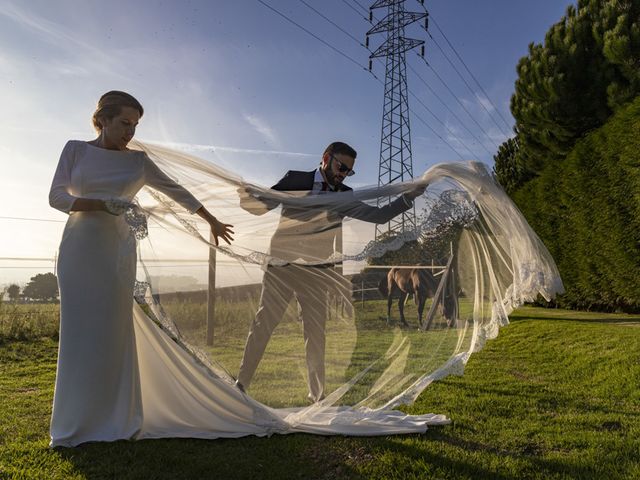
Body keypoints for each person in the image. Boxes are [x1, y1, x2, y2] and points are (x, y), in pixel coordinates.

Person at [48, 91, 234, 447]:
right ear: (102, 120)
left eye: (135, 125)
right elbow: (57, 197)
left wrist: (210, 219)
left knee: (112, 331)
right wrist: (103, 203)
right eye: (124, 123)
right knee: (79, 333)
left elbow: (176, 190)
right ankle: (74, 423)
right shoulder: (75, 149)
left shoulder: (139, 163)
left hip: (116, 252)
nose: (130, 132)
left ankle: (117, 418)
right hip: (79, 250)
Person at [236, 141, 425, 402]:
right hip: (282, 266)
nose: (343, 174)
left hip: (316, 272)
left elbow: (379, 216)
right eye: (341, 167)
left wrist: (408, 197)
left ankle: (317, 397)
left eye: (349, 171)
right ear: (326, 157)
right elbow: (260, 208)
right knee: (263, 324)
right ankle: (240, 385)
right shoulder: (295, 179)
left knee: (315, 333)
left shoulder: (345, 196)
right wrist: (244, 195)